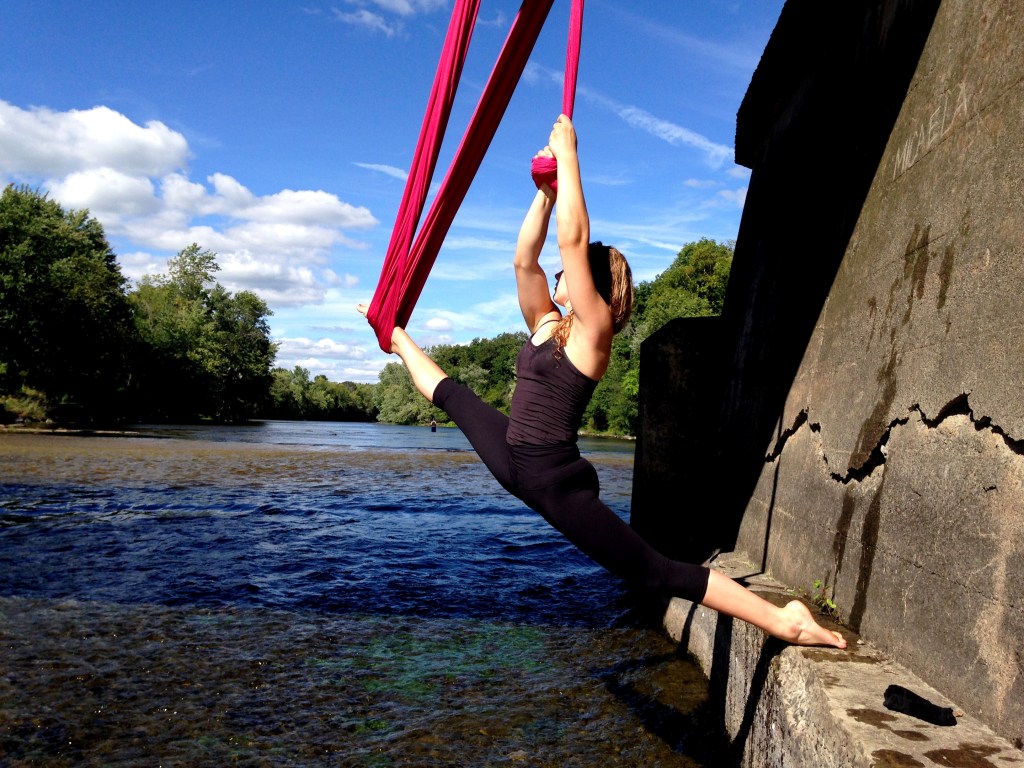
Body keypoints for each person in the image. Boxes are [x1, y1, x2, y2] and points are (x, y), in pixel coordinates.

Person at [359, 114, 846, 649]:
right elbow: (524, 261)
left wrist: (568, 159)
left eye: (571, 271)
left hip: (553, 480)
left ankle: (787, 620)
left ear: (589, 280)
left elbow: (574, 241)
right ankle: (397, 338)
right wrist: (544, 196)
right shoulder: (547, 323)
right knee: (454, 396)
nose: (560, 273)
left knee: (653, 570)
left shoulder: (593, 334)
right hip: (514, 463)